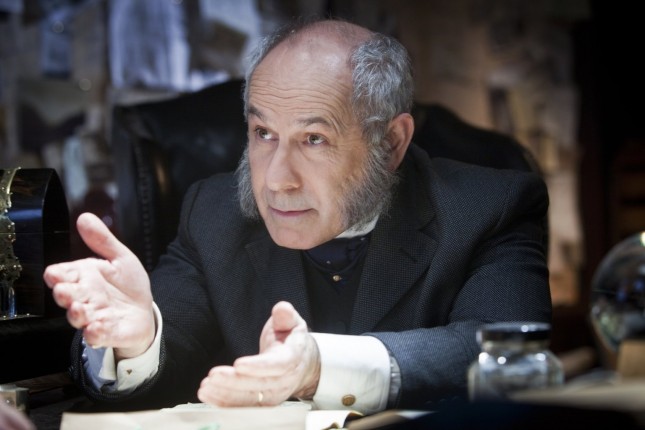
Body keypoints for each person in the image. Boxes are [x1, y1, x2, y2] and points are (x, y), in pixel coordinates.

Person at [43, 18, 551, 414]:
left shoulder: (490, 207)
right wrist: (137, 342)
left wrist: (320, 367)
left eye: (314, 139)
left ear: (391, 143)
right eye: (264, 134)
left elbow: (508, 352)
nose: (275, 180)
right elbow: (172, 342)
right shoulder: (213, 213)